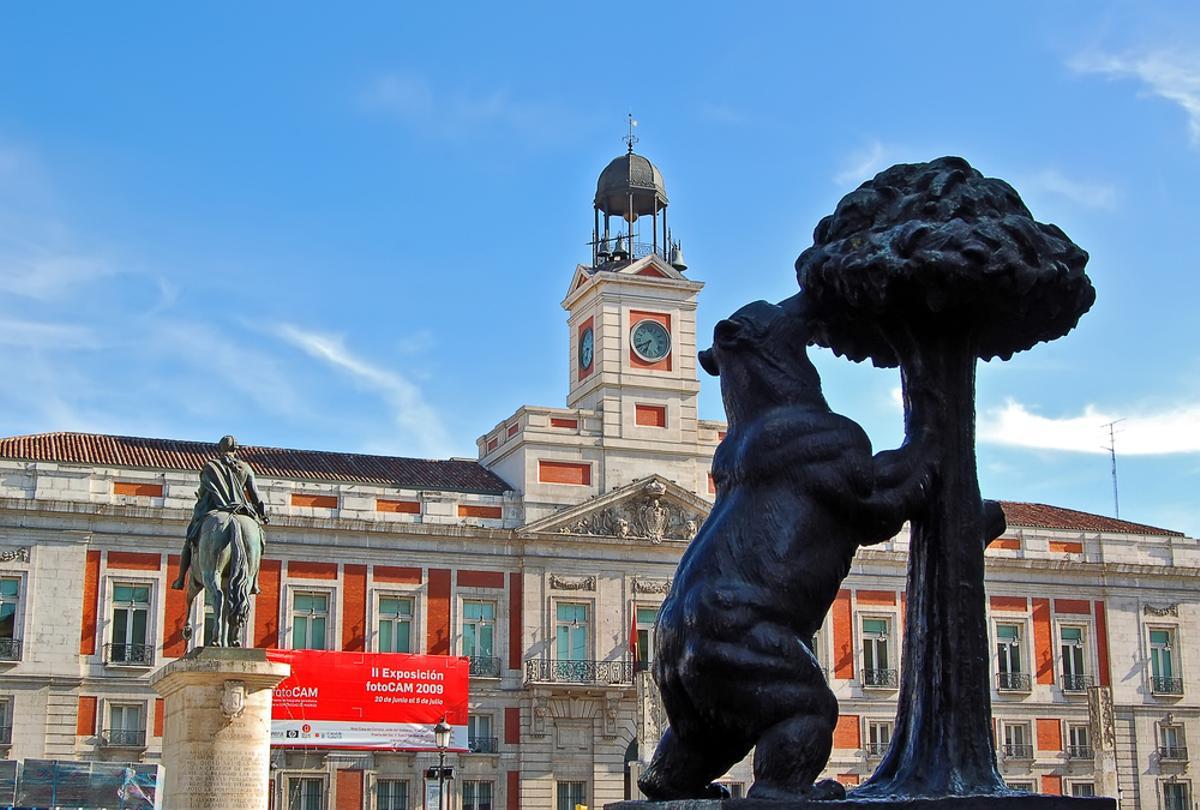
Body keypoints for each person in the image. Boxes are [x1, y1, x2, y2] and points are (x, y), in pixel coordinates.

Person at [171, 435, 268, 591]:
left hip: (216, 509)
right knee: (260, 541)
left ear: (221, 448)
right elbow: (255, 496)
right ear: (236, 449)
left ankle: (181, 578)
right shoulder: (246, 468)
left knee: (189, 540)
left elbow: (203, 492)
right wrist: (263, 514)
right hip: (241, 509)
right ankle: (254, 582)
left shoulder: (211, 466)